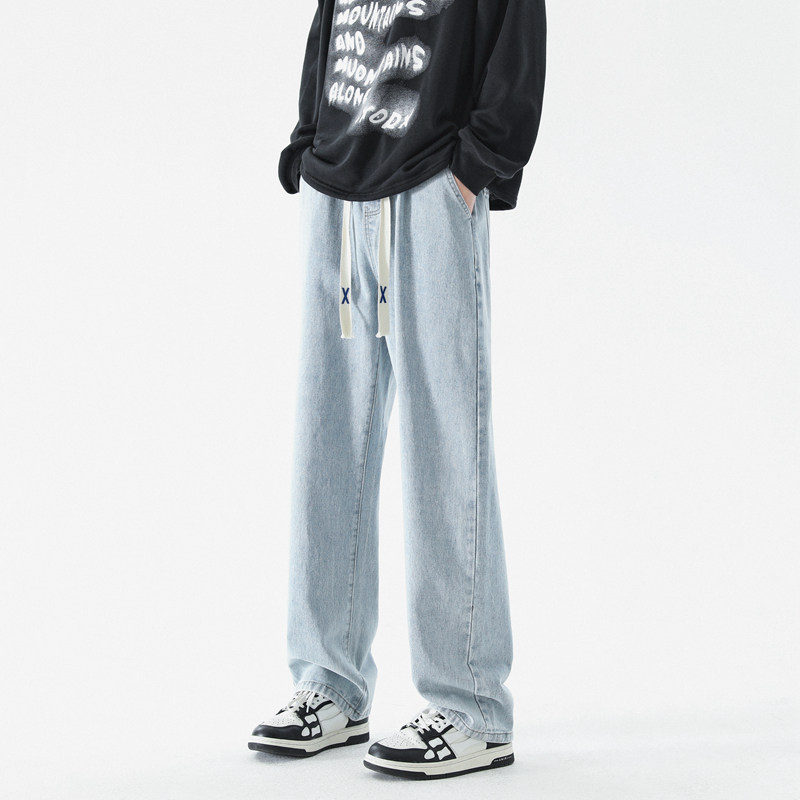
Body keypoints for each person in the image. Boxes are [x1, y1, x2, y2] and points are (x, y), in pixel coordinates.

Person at [249, 0, 546, 779]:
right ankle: (330, 681)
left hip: (432, 184)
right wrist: (307, 144)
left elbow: (517, 33)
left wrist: (479, 163)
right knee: (328, 433)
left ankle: (470, 704)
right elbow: (332, 21)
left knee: (446, 434)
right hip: (338, 186)